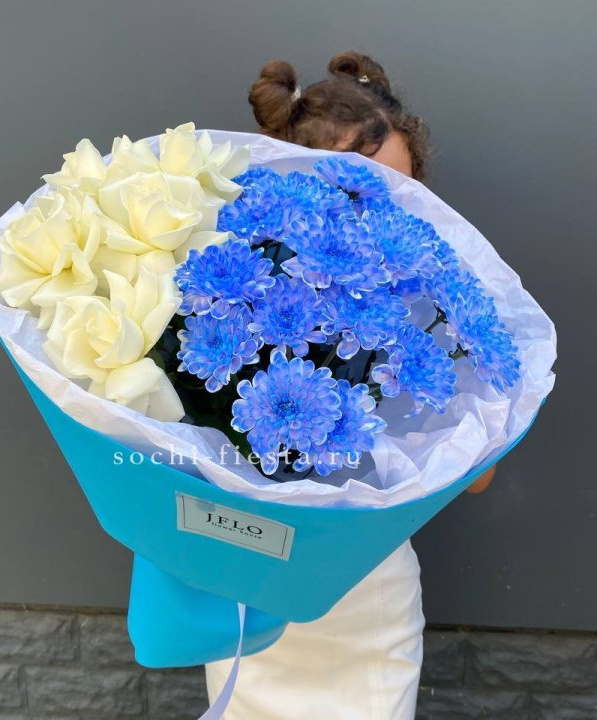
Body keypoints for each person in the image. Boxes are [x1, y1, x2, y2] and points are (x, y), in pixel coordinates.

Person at [204, 50, 494, 720]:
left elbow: (478, 478)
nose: (383, 212)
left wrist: (439, 398)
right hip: (255, 594)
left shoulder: (433, 303)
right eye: (360, 189)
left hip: (370, 606)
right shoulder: (227, 288)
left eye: (403, 191)